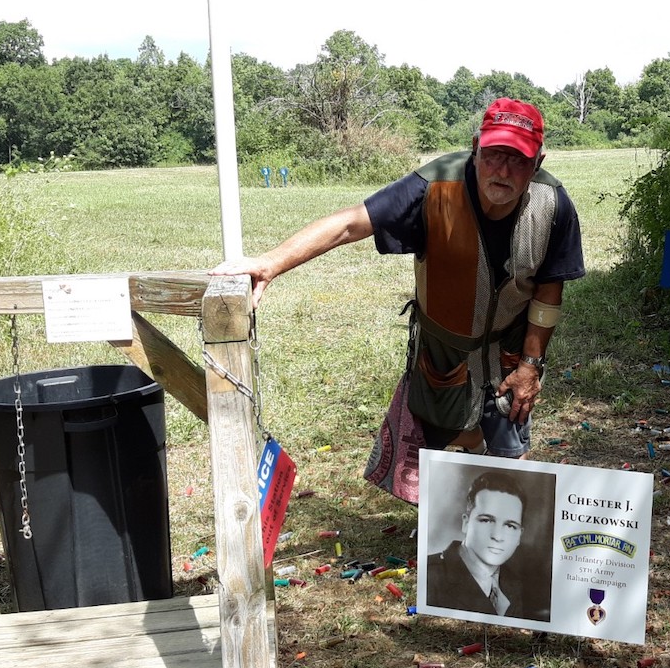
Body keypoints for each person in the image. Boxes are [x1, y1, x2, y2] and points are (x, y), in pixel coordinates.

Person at [210, 98, 585, 503]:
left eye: (518, 160)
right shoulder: (434, 186)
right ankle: (452, 526)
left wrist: (530, 365)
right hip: (445, 352)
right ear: (475, 147)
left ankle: (511, 541)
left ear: (538, 162)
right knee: (448, 444)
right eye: (494, 154)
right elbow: (351, 223)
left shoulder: (553, 204)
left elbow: (549, 289)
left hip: (511, 352)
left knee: (513, 457)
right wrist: (271, 263)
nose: (503, 170)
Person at [425, 468, 550, 620]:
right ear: (466, 522)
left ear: (519, 535)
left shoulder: (512, 583)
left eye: (510, 526)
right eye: (486, 520)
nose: (497, 536)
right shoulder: (429, 575)